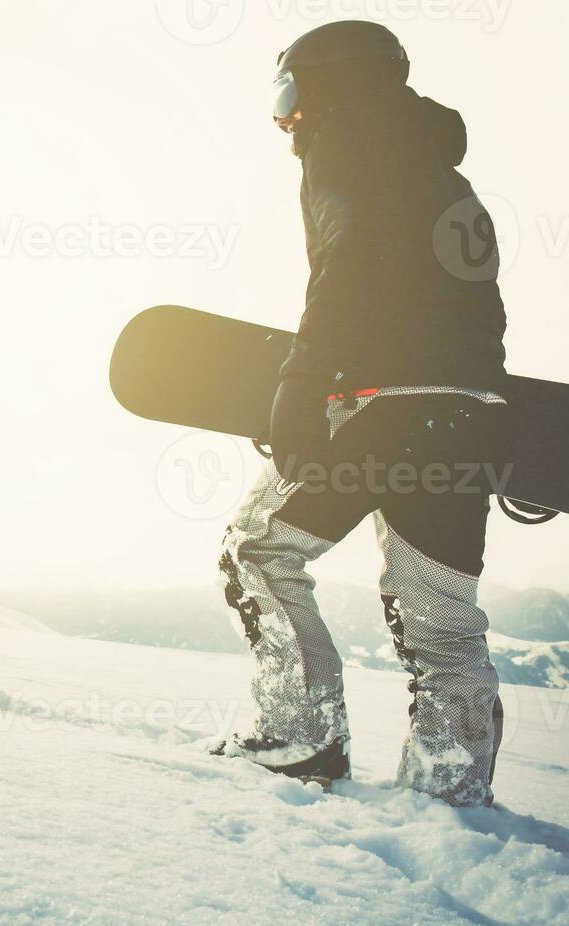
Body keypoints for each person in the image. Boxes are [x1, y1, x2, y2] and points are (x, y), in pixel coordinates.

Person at [214, 20, 508, 807]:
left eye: (290, 96)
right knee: (441, 620)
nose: (287, 123)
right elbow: (481, 311)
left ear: (331, 85)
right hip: (462, 415)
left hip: (375, 408)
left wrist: (304, 381)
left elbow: (350, 263)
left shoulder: (348, 140)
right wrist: (481, 410)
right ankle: (450, 794)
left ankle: (302, 735)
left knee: (257, 552)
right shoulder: (447, 176)